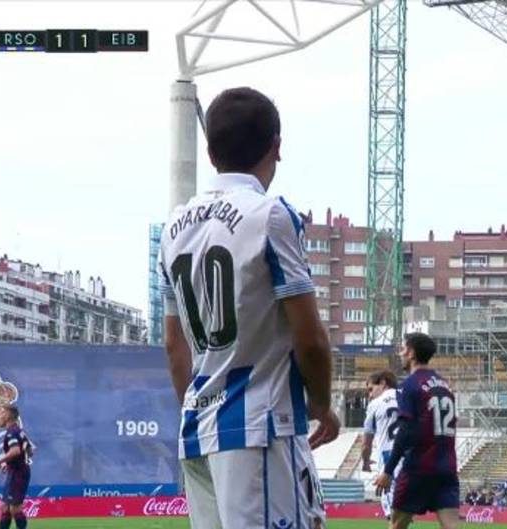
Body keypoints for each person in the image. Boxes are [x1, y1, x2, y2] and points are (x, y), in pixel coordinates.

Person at [160, 87, 339, 529]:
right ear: (277, 146)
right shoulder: (271, 215)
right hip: (259, 426)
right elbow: (310, 337)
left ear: (210, 150)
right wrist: (321, 403)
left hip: (198, 429)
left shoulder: (173, 228)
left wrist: (199, 405)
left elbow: (172, 345)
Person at [374, 333, 459, 529]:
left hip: (419, 467)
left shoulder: (410, 386)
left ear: (411, 353)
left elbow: (406, 431)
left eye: (403, 349)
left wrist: (388, 470)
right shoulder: (445, 386)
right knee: (451, 527)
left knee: (397, 525)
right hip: (447, 468)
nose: (401, 353)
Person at [361, 370, 400, 520]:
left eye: (371, 389)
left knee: (393, 515)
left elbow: (366, 443)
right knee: (404, 513)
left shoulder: (375, 404)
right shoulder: (407, 397)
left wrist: (365, 461)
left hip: (389, 460)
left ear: (383, 383)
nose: (370, 395)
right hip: (412, 459)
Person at [0, 405, 32, 529]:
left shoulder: (11, 433)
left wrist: (0, 462)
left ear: (9, 415)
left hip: (18, 473)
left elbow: (15, 451)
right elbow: (29, 451)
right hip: (16, 471)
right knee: (4, 508)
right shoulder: (18, 431)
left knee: (14, 509)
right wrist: (9, 463)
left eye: (2, 413)